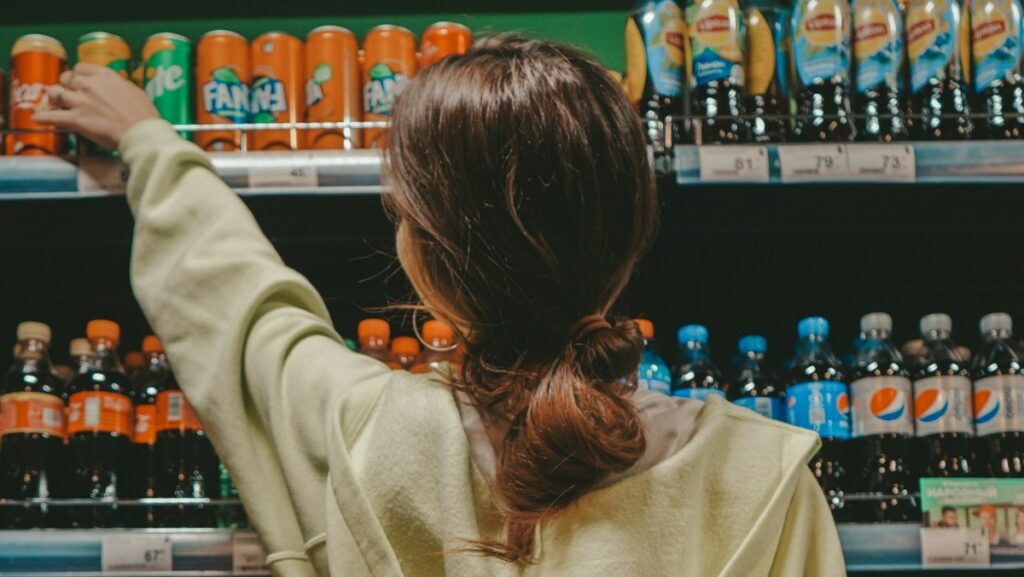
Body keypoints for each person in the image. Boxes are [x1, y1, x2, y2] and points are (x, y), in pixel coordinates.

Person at [36, 36, 845, 576]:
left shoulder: (368, 432)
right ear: (630, 239)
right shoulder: (764, 480)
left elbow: (238, 304)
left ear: (419, 258)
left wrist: (150, 141)